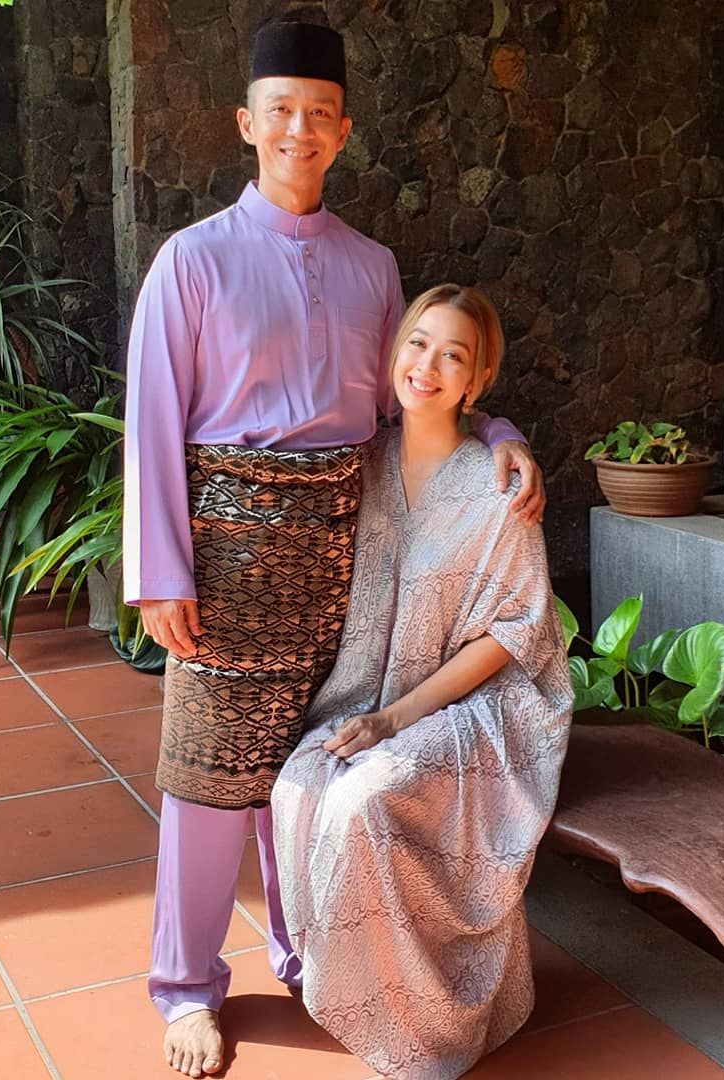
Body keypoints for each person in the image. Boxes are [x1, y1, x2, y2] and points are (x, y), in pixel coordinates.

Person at [122, 21, 546, 1079]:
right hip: (223, 561)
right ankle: (185, 987)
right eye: (280, 111)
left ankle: (300, 950)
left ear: (343, 131)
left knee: (302, 765)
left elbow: (418, 396)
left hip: (347, 566)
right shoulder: (192, 260)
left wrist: (504, 433)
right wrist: (159, 571)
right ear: (246, 125)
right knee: (207, 784)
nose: (298, 130)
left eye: (320, 113)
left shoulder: (372, 267)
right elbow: (152, 418)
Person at [271, 284, 573, 1080]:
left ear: (476, 382)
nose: (428, 365)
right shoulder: (356, 463)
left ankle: (435, 1029)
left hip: (484, 708)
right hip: (367, 695)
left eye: (453, 355)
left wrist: (397, 719)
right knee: (301, 787)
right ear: (392, 354)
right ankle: (367, 993)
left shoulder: (500, 485)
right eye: (417, 342)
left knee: (368, 800)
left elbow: (514, 632)